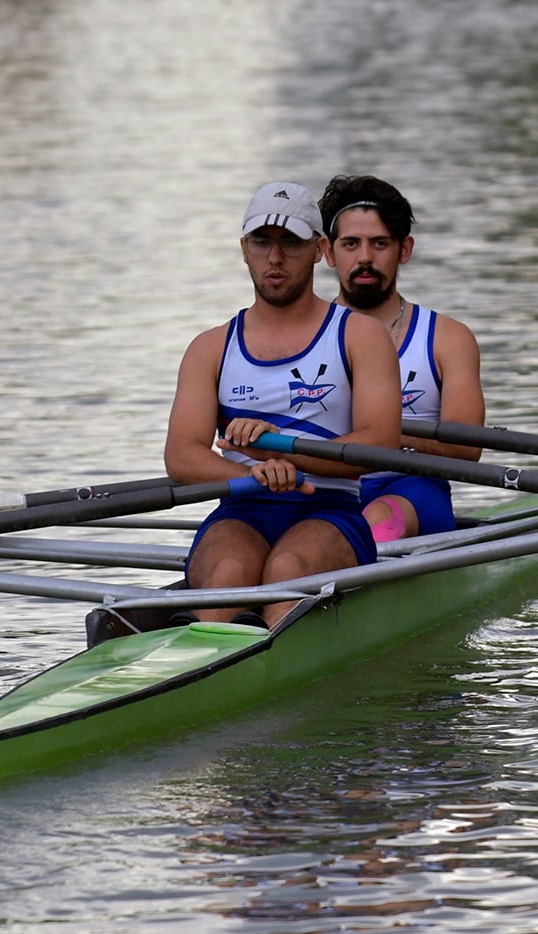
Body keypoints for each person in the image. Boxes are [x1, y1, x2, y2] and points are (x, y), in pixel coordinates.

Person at [163, 181, 402, 628]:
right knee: (230, 573)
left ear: (318, 249)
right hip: (240, 506)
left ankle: (259, 657)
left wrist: (286, 449)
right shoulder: (210, 348)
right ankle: (211, 665)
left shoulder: (359, 335)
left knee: (287, 570)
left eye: (290, 242)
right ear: (243, 248)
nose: (275, 258)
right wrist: (253, 474)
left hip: (330, 508)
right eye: (261, 242)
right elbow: (181, 454)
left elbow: (381, 442)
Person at [318, 175, 485, 542]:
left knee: (378, 518)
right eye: (350, 244)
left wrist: (383, 437)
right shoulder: (301, 338)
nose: (364, 258)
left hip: (411, 492)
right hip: (324, 492)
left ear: (404, 250)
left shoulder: (447, 338)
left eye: (379, 244)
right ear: (328, 252)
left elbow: (465, 447)